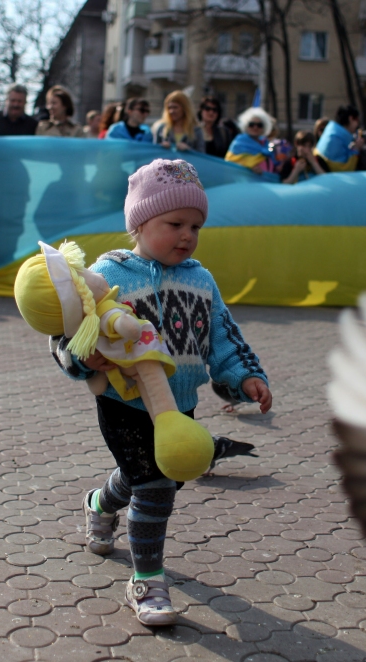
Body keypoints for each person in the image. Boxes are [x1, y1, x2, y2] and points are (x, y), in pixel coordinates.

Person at [47, 158, 271, 626]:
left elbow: (222, 336)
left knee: (145, 478)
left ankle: (98, 503)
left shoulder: (201, 280)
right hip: (124, 403)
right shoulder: (108, 275)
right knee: (155, 486)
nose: (186, 235)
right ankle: (147, 579)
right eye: (174, 224)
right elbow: (65, 332)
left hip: (180, 404)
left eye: (195, 226)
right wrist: (82, 355)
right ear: (140, 223)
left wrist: (245, 377)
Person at [225, 107, 278, 177]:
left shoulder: (266, 144)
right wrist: (249, 166)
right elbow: (230, 162)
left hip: (266, 183)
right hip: (244, 183)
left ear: (264, 128)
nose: (255, 127)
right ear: (246, 126)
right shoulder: (239, 143)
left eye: (259, 125)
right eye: (251, 124)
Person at [314, 105, 363, 173]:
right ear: (351, 119)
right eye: (357, 121)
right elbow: (344, 170)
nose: (358, 125)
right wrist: (356, 150)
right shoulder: (336, 138)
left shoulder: (332, 131)